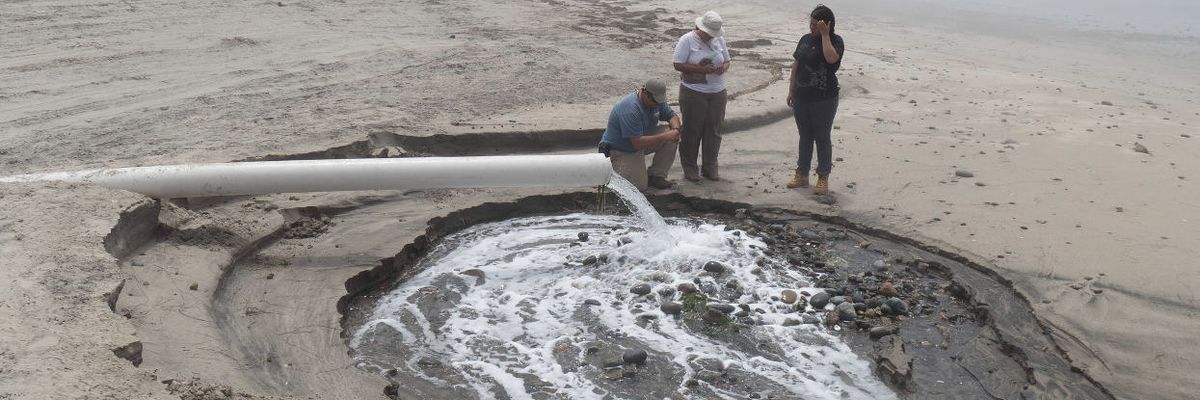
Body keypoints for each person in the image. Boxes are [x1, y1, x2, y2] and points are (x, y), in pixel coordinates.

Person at [786, 5, 844, 194]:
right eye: (810, 23)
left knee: (822, 137)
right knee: (805, 136)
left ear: (827, 24)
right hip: (802, 97)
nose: (811, 27)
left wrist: (825, 35)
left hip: (824, 99)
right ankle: (802, 174)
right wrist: (791, 90)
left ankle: (823, 177)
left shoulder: (836, 41)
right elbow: (796, 64)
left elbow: (831, 59)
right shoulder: (805, 39)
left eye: (815, 24)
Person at [673, 10, 731, 182]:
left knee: (714, 130)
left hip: (718, 91)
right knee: (692, 130)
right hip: (693, 91)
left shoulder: (719, 39)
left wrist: (722, 68)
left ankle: (710, 166)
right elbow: (677, 64)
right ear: (701, 28)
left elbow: (727, 61)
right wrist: (702, 69)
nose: (711, 36)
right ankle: (690, 168)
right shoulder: (687, 40)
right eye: (709, 33)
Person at [598, 79, 682, 191]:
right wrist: (667, 136)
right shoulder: (630, 109)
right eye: (655, 101)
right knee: (639, 187)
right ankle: (612, 167)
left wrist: (676, 130)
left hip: (640, 142)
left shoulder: (656, 100)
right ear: (645, 93)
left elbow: (672, 116)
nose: (657, 104)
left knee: (671, 136)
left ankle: (656, 176)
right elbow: (637, 143)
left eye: (659, 101)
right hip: (621, 149)